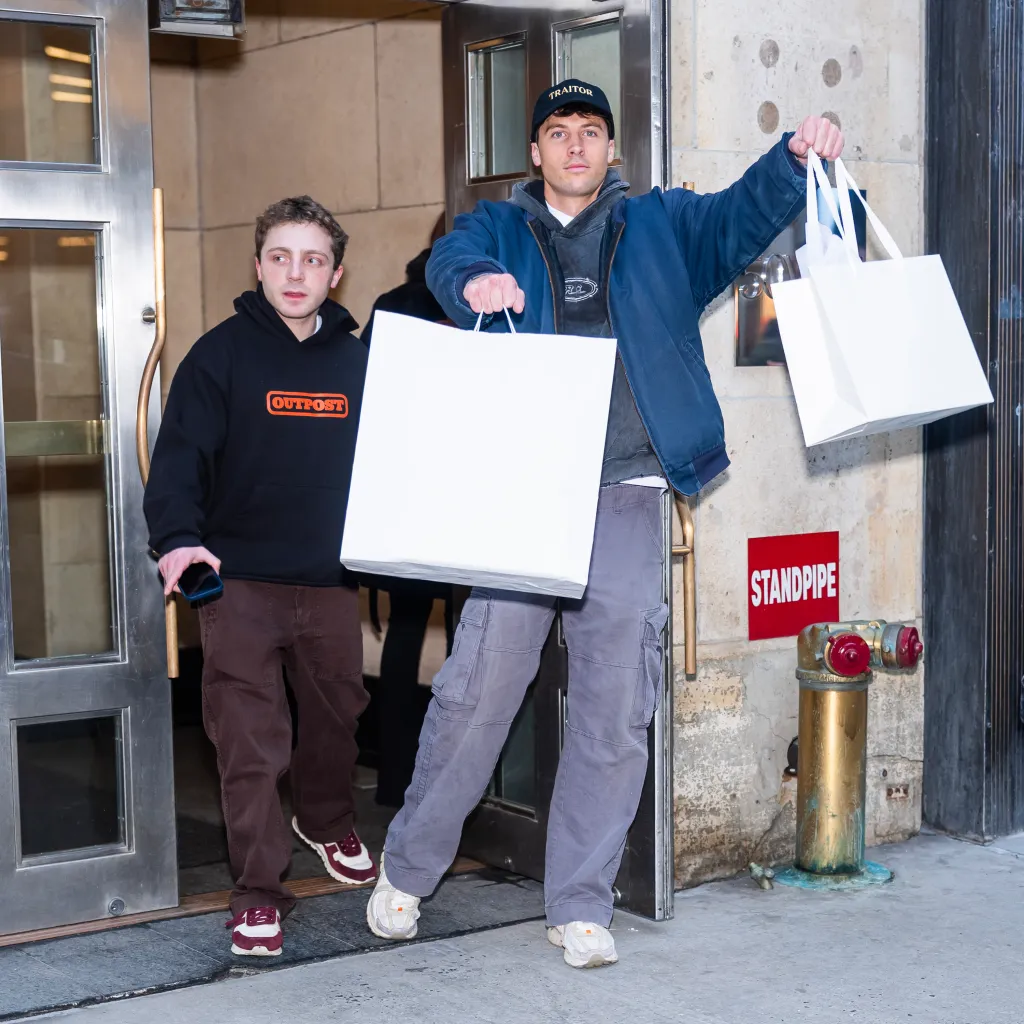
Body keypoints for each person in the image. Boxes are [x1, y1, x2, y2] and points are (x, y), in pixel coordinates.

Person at [365, 79, 844, 969]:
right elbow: (446, 260)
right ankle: (408, 868)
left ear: (612, 150)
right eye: (558, 132)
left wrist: (794, 157)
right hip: (523, 492)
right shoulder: (497, 226)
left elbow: (743, 215)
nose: (576, 145)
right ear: (536, 152)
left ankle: (580, 902)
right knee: (477, 692)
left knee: (614, 707)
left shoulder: (664, 225)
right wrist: (474, 278)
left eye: (592, 131)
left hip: (627, 491)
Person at [144, 195, 375, 959]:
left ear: (335, 273)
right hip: (239, 582)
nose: (295, 272)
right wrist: (178, 539)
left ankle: (326, 817)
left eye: (312, 259)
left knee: (338, 713)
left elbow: (400, 461)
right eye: (281, 256)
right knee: (248, 741)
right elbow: (180, 462)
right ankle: (256, 893)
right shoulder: (220, 356)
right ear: (259, 266)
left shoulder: (361, 361)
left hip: (332, 580)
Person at [360, 242, 455, 809]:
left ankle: (396, 779)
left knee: (405, 633)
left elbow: (369, 401)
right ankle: (467, 787)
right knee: (486, 633)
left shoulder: (392, 305)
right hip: (476, 487)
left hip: (410, 491)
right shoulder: (496, 293)